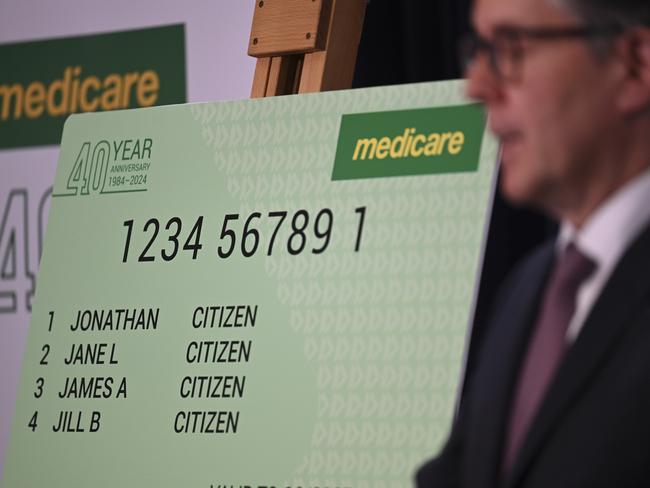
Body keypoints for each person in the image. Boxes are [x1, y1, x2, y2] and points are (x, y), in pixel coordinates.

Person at [416, 0, 650, 486]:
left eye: (511, 49)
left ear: (634, 65)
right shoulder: (528, 288)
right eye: (478, 51)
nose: (477, 87)